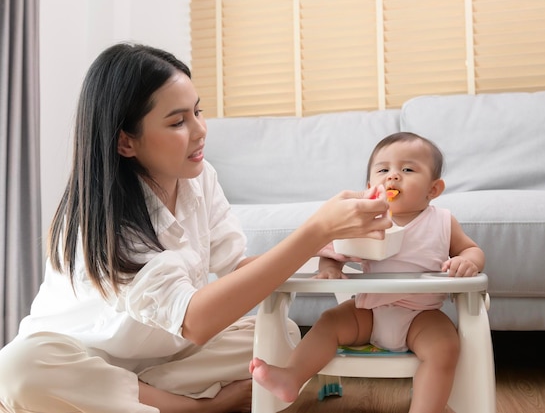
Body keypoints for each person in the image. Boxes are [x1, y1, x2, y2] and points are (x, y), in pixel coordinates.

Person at [0, 43, 392, 413]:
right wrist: (315, 230)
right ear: (125, 142)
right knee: (17, 367)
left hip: (166, 356)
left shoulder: (199, 180)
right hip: (82, 356)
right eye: (178, 121)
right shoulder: (99, 222)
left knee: (281, 332)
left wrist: (324, 251)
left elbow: (237, 269)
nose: (200, 130)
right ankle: (199, 406)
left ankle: (129, 398)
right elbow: (196, 321)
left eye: (197, 112)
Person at [250, 132, 486, 413]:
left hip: (421, 316)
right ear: (369, 187)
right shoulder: (365, 222)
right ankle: (292, 376)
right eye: (383, 170)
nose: (393, 177)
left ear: (433, 189)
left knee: (446, 347)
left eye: (407, 169)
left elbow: (471, 250)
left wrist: (469, 261)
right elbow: (331, 251)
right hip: (369, 312)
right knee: (328, 322)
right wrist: (330, 269)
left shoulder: (443, 222)